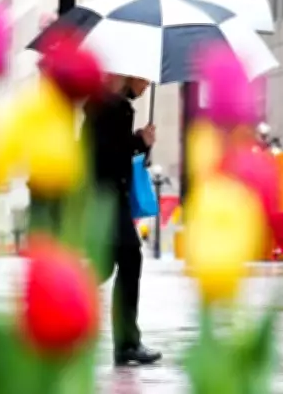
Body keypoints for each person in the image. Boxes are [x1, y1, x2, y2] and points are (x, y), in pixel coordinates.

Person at [82, 74, 161, 365]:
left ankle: (54, 305)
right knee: (130, 258)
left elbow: (109, 152)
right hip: (107, 198)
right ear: (130, 76)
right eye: (145, 80)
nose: (147, 86)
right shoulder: (113, 107)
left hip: (102, 197)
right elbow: (110, 157)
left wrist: (140, 142)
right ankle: (127, 343)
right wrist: (139, 141)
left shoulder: (104, 104)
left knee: (103, 265)